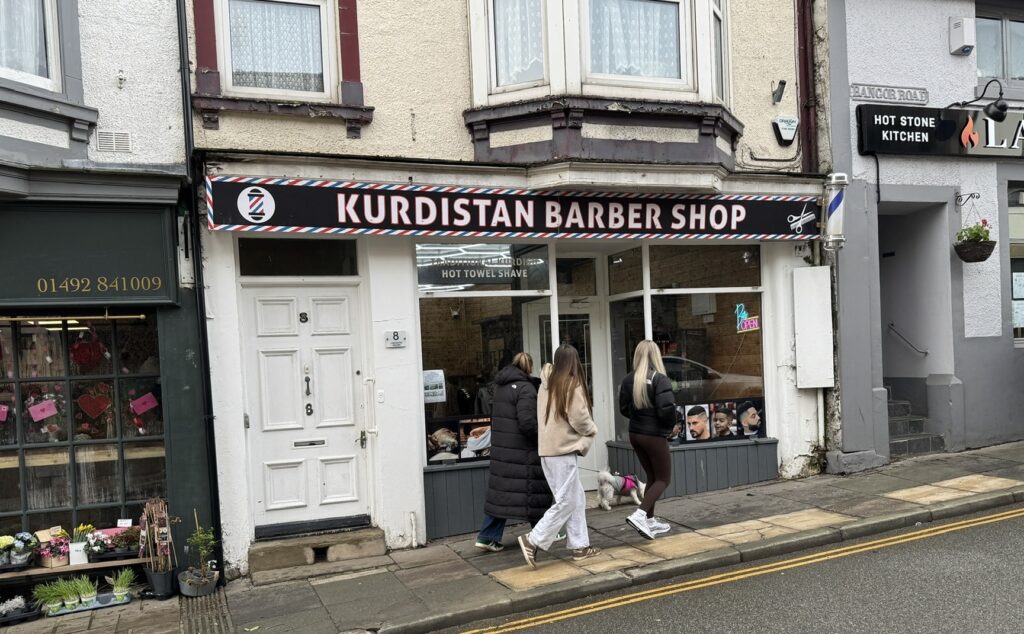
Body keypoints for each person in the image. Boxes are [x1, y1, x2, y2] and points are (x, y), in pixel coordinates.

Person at [518, 345, 600, 567]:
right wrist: (592, 430)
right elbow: (580, 419)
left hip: (547, 451)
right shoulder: (571, 384)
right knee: (567, 500)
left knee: (576, 498)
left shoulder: (546, 384)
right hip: (563, 451)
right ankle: (533, 540)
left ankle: (580, 546)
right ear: (574, 362)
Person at [475, 353, 552, 551]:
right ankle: (546, 531)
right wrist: (543, 436)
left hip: (502, 451)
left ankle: (487, 536)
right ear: (529, 366)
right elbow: (527, 423)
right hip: (522, 452)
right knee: (534, 491)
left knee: (502, 496)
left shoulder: (500, 387)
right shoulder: (525, 388)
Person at [618, 340, 676, 540]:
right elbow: (667, 410)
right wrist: (669, 427)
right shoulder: (660, 379)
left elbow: (623, 409)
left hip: (636, 434)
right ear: (656, 356)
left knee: (652, 477)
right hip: (654, 435)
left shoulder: (628, 380)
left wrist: (641, 420)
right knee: (663, 479)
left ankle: (650, 521)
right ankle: (640, 515)